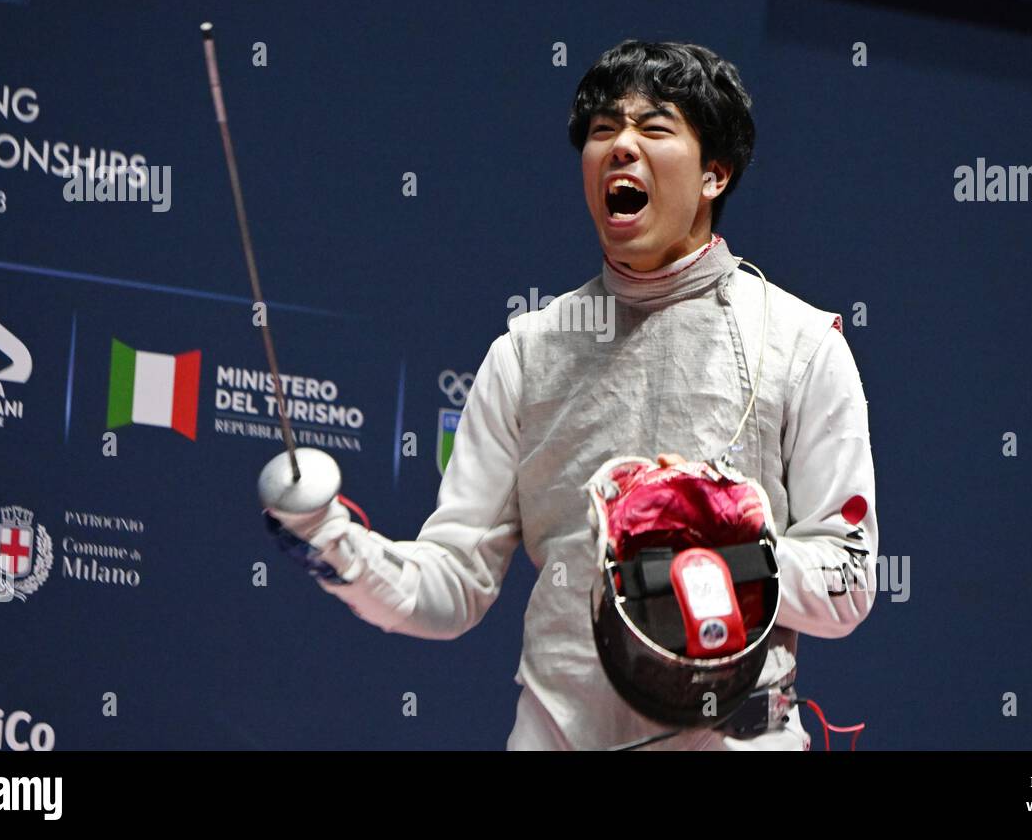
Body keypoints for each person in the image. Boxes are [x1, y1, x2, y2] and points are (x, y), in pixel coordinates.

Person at [265, 40, 879, 750]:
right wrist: (329, 543)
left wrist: (723, 555)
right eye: (601, 131)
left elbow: (849, 580)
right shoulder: (527, 355)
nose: (621, 146)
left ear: (715, 173)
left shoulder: (801, 345)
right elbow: (452, 586)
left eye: (653, 128)